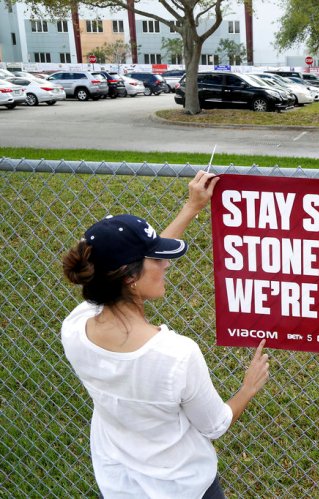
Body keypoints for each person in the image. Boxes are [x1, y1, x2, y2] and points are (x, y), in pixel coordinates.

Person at [61, 171, 269, 498]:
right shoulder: (176, 356)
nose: (166, 265)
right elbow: (215, 425)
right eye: (156, 259)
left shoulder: (74, 328)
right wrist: (248, 387)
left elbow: (128, 268)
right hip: (183, 489)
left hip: (117, 487)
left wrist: (192, 207)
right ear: (129, 278)